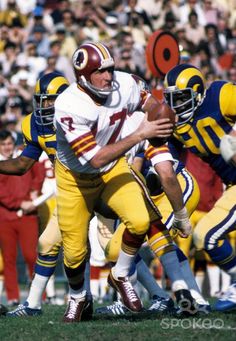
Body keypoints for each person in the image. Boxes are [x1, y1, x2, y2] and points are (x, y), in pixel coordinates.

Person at [53, 42, 194, 323]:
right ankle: (78, 296)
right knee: (74, 252)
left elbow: (149, 103)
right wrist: (141, 133)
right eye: (100, 72)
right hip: (75, 179)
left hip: (113, 169)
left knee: (141, 220)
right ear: (83, 76)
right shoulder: (68, 105)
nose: (108, 77)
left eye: (110, 69)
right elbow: (94, 158)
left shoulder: (124, 83)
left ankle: (120, 274)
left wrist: (158, 113)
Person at [0, 73, 85, 317]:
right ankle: (33, 304)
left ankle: (159, 294)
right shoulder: (35, 124)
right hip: (71, 192)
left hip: (99, 184)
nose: (44, 106)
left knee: (110, 247)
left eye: (50, 101)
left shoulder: (81, 116)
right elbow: (23, 164)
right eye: (41, 101)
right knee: (48, 243)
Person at [163, 63, 236, 312]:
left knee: (207, 234)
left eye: (181, 98)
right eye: (171, 99)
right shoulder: (175, 125)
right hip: (233, 185)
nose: (175, 106)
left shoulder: (220, 95)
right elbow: (167, 163)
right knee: (205, 236)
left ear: (198, 92)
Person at [0, 130, 45, 306]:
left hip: (28, 216)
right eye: (3, 144)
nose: (7, 147)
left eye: (9, 143)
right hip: (5, 217)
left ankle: (38, 296)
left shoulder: (23, 159)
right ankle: (12, 298)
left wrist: (35, 191)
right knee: (9, 259)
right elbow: (2, 193)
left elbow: (39, 172)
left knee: (30, 256)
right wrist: (20, 203)